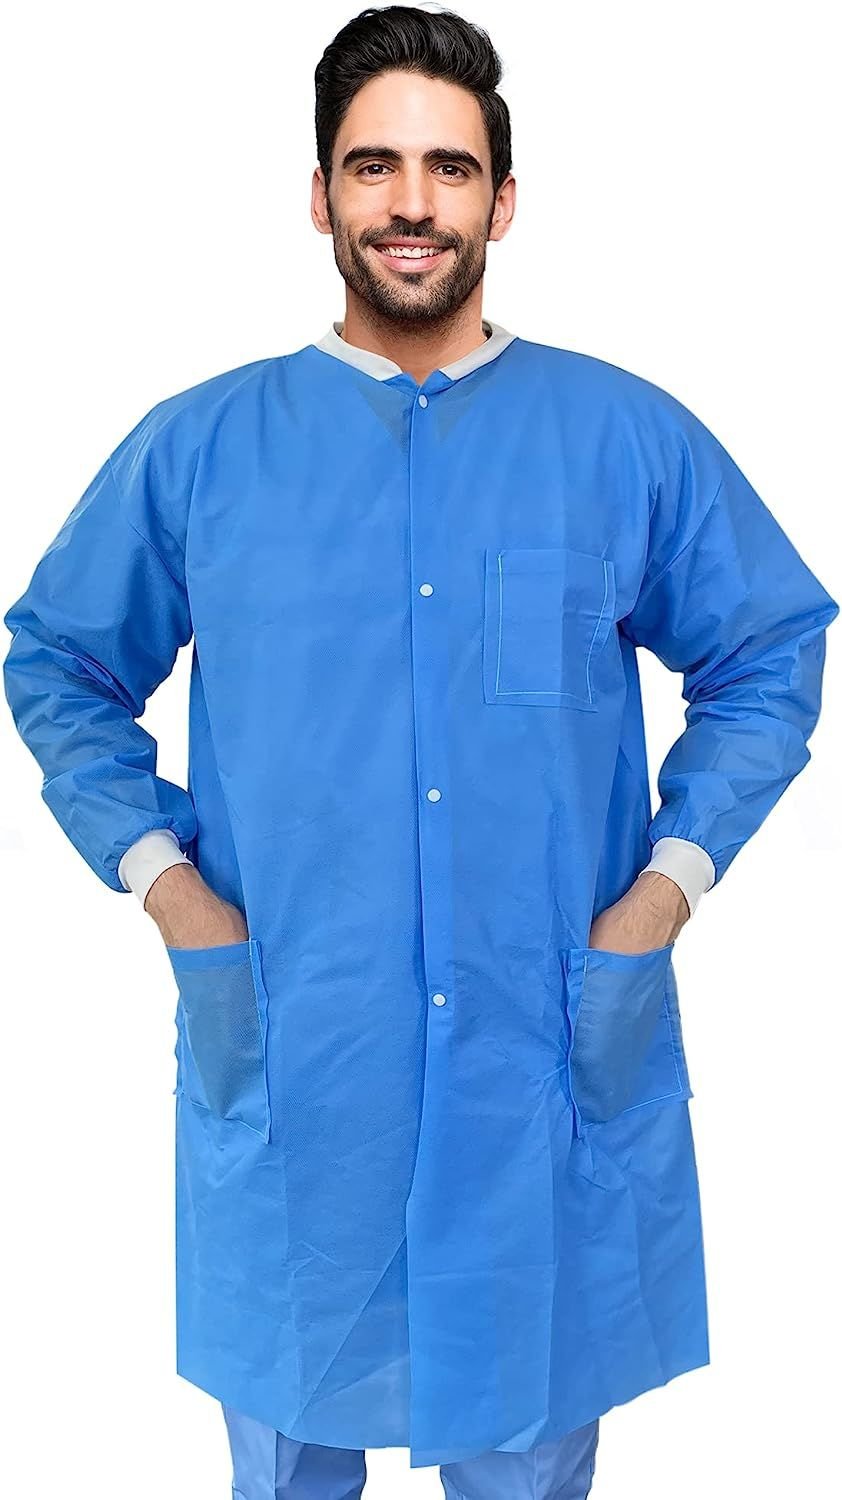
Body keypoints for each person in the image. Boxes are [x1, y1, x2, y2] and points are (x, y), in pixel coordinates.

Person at [3, 5, 838, 1497]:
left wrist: (669, 884)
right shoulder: (201, 448)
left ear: (501, 202)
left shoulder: (622, 438)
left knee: (527, 1446)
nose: (411, 203)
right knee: (289, 1451)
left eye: (449, 169)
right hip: (295, 1038)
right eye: (373, 165)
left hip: (543, 1042)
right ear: (319, 195)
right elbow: (59, 659)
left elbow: (768, 646)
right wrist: (167, 887)